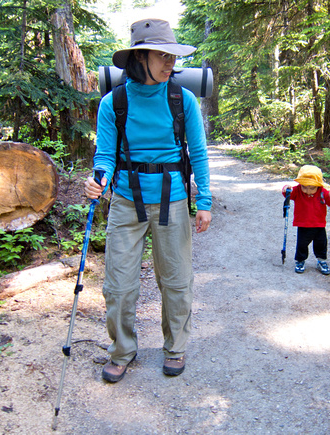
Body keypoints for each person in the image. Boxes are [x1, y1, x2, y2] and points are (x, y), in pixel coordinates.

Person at [84, 18, 212, 381]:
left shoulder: (182, 98)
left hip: (173, 201)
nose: (170, 62)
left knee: (176, 279)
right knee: (118, 284)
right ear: (139, 58)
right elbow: (105, 155)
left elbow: (198, 154)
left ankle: (175, 348)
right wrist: (99, 180)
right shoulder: (114, 103)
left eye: (172, 55)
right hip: (125, 201)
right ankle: (122, 350)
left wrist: (204, 201)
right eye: (161, 54)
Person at [282, 165, 330, 275]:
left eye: (312, 188)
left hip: (319, 224)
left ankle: (321, 261)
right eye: (305, 187)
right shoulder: (298, 191)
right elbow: (289, 194)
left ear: (318, 185)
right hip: (303, 224)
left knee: (321, 244)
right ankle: (300, 261)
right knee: (302, 244)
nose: (308, 191)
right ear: (300, 184)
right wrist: (286, 189)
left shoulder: (323, 192)